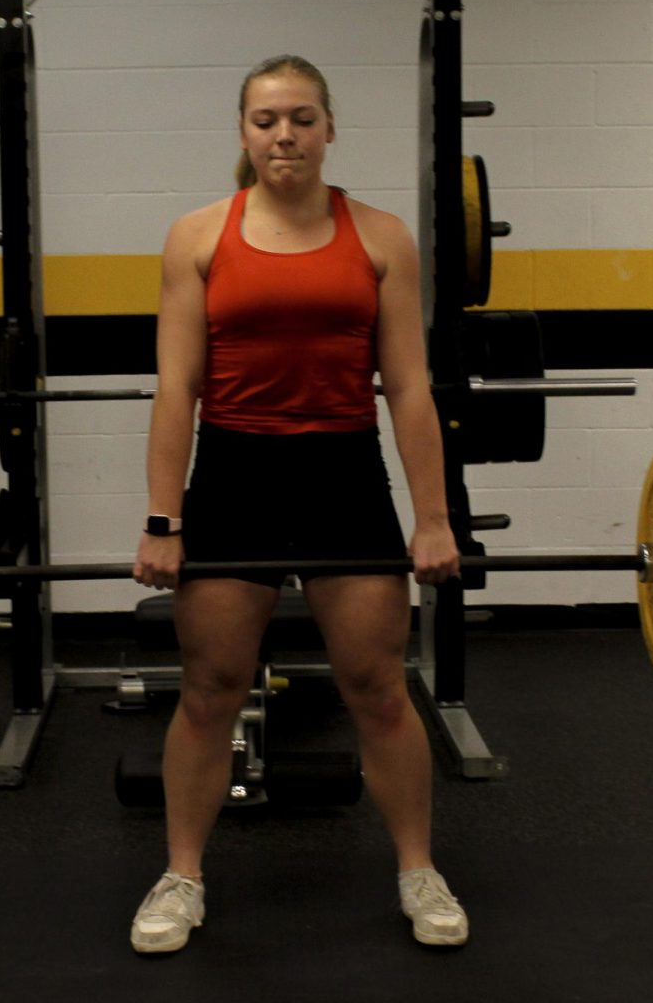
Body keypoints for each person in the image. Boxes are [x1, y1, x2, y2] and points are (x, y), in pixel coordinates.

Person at [130, 54, 468, 954]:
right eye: (268, 119)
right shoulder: (198, 236)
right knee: (209, 689)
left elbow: (408, 388)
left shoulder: (383, 237)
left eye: (303, 118)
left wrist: (432, 517)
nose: (286, 135)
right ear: (243, 132)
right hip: (234, 475)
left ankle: (417, 869)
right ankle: (181, 874)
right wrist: (164, 519)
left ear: (329, 129)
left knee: (378, 687)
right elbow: (176, 392)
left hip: (343, 476)